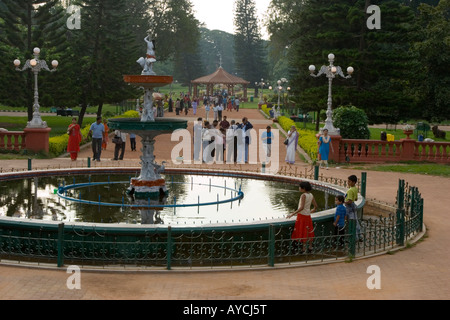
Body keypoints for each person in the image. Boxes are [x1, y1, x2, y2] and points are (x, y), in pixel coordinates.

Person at [287, 181, 318, 250]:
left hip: (302, 216)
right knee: (309, 230)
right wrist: (313, 210)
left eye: (300, 187)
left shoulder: (303, 195)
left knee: (303, 230)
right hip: (308, 215)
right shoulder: (311, 195)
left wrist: (292, 214)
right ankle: (310, 246)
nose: (299, 188)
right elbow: (316, 206)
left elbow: (301, 207)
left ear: (303, 188)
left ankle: (304, 248)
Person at [345, 175, 362, 240]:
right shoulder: (355, 189)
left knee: (351, 222)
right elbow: (356, 199)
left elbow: (350, 201)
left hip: (349, 207)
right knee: (356, 221)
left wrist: (344, 202)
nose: (348, 182)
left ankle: (355, 238)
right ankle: (359, 235)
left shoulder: (350, 191)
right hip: (354, 206)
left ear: (354, 182)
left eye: (349, 181)